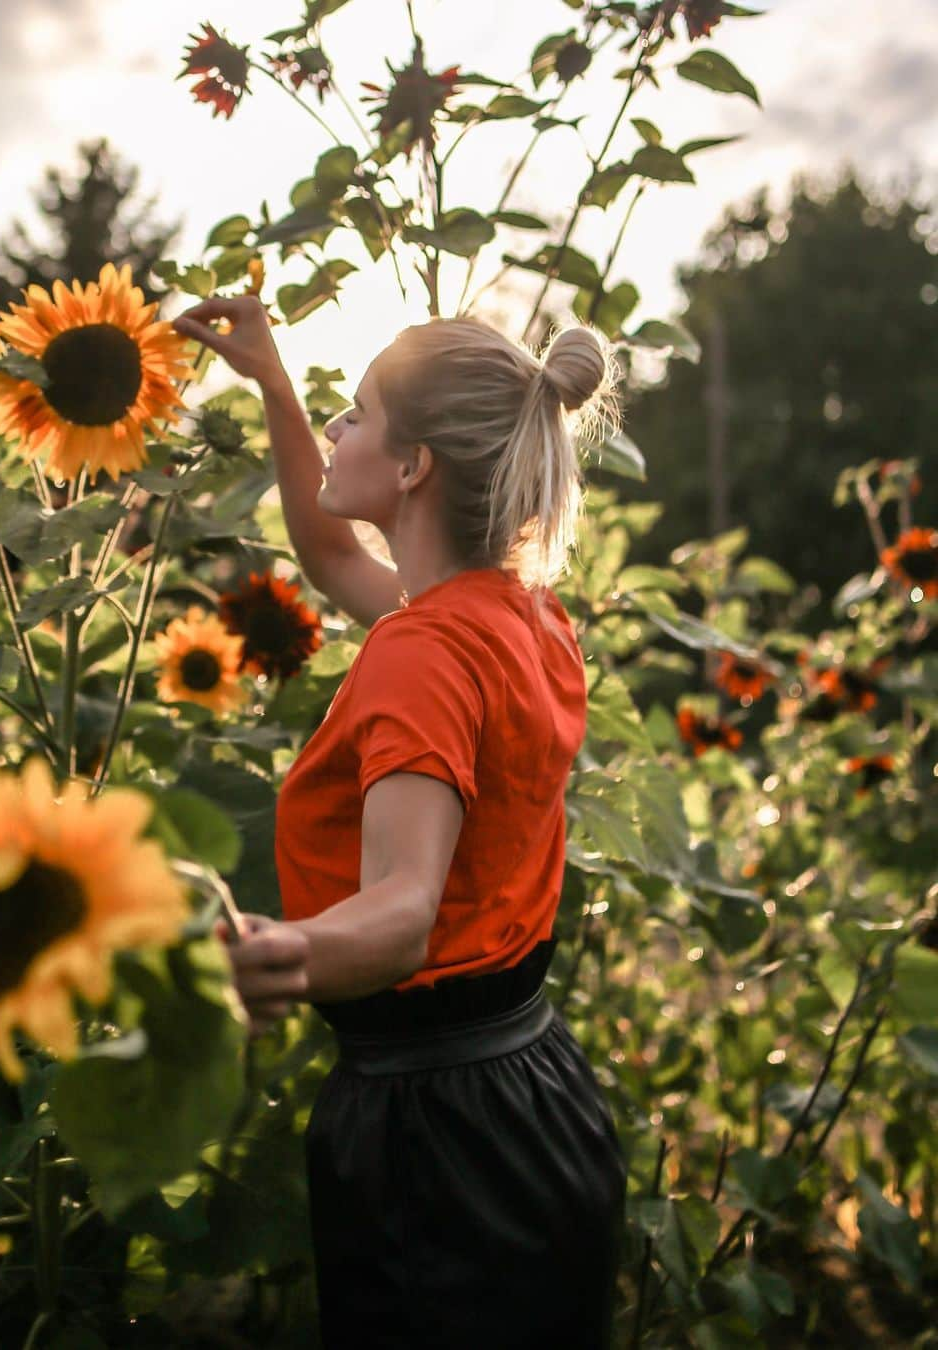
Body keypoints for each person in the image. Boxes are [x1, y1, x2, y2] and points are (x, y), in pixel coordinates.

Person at [173, 294, 628, 1350]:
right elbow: (332, 560)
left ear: (414, 464)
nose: (338, 427)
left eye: (357, 412)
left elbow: (404, 911)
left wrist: (274, 953)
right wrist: (276, 388)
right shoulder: (517, 617)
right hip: (535, 1094)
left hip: (440, 1145)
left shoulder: (422, 653)